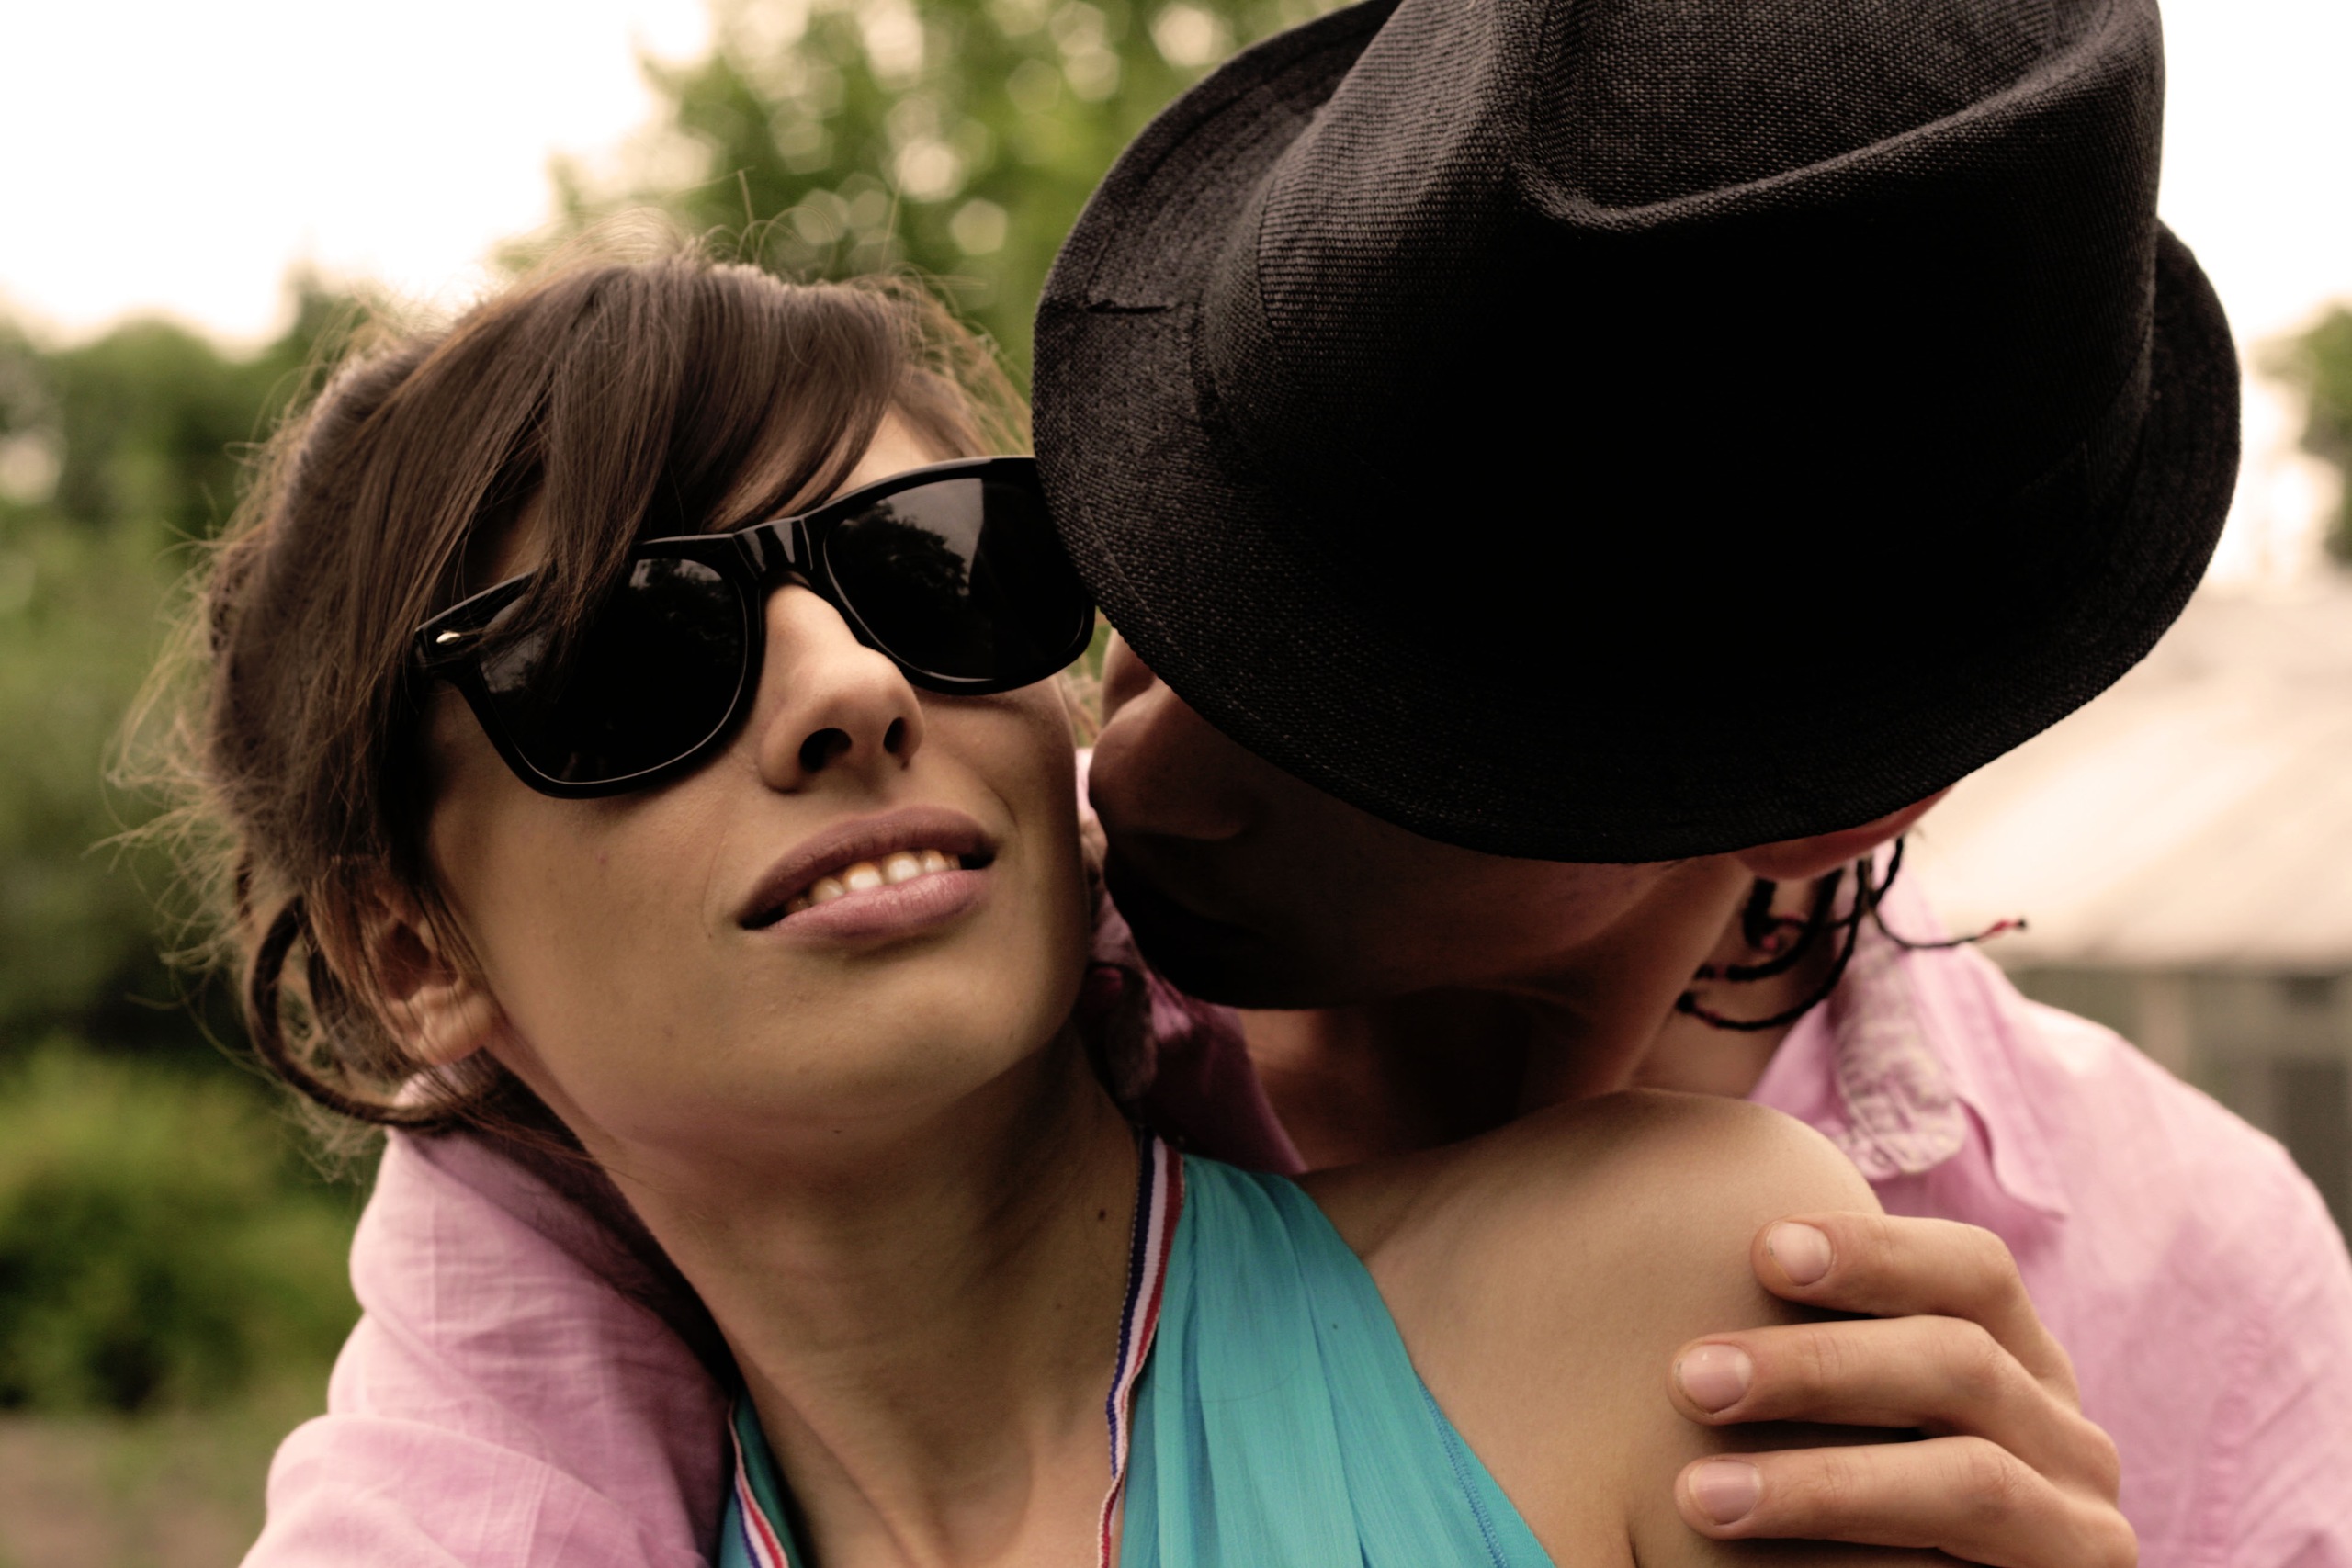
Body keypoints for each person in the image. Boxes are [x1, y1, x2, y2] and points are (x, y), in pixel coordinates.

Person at [240, 0, 2352, 1566]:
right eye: (1151, 581)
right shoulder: (701, 1073)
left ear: (1806, 809)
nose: (1135, 760)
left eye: (1344, 706)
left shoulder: (2148, 1281)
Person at [187, 247, 1927, 1568]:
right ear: (413, 956)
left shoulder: (1666, 1304)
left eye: (937, 568)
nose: (853, 687)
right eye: (638, 658)